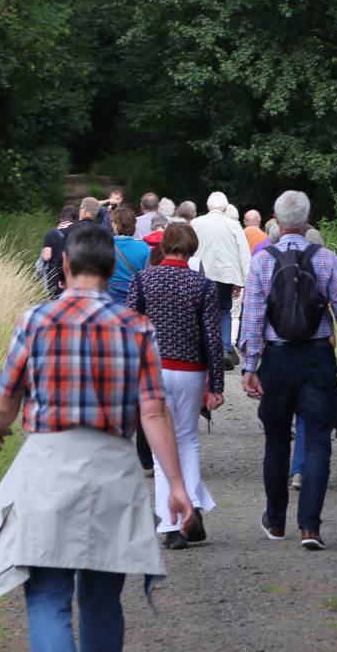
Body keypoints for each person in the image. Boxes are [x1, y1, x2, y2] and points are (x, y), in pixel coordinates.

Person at [0, 223, 193, 649]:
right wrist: (177, 485)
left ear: (66, 265)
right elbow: (153, 411)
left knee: (48, 598)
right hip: (112, 473)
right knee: (102, 602)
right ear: (111, 271)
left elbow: (6, 398)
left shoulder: (35, 320)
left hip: (48, 470)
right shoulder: (136, 327)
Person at [240, 189, 337, 551]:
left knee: (277, 440)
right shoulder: (326, 258)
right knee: (316, 443)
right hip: (316, 358)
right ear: (308, 220)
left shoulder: (263, 260)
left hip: (278, 360)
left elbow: (252, 318)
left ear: (277, 223)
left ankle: (276, 522)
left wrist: (250, 366)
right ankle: (310, 527)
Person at [127, 222, 225, 550]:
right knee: (187, 440)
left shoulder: (142, 281)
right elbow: (212, 337)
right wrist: (217, 384)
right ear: (192, 248)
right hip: (191, 371)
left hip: (153, 370)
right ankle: (191, 511)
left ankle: (171, 524)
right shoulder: (203, 286)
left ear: (163, 245)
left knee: (160, 449)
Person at [191, 191, 251, 369]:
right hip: (226, 275)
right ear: (225, 208)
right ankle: (224, 348)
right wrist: (242, 281)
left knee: (201, 311)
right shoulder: (233, 225)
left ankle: (201, 348)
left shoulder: (196, 223)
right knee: (224, 310)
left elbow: (189, 247)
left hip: (201, 274)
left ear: (208, 206)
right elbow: (244, 253)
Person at [109, 207, 152, 301]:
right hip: (134, 296)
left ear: (116, 225)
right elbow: (147, 275)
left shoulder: (106, 245)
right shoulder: (144, 247)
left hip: (112, 296)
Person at [38, 204, 78, 298]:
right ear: (75, 219)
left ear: (61, 218)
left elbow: (46, 256)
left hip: (54, 277)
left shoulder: (51, 234)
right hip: (72, 276)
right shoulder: (77, 233)